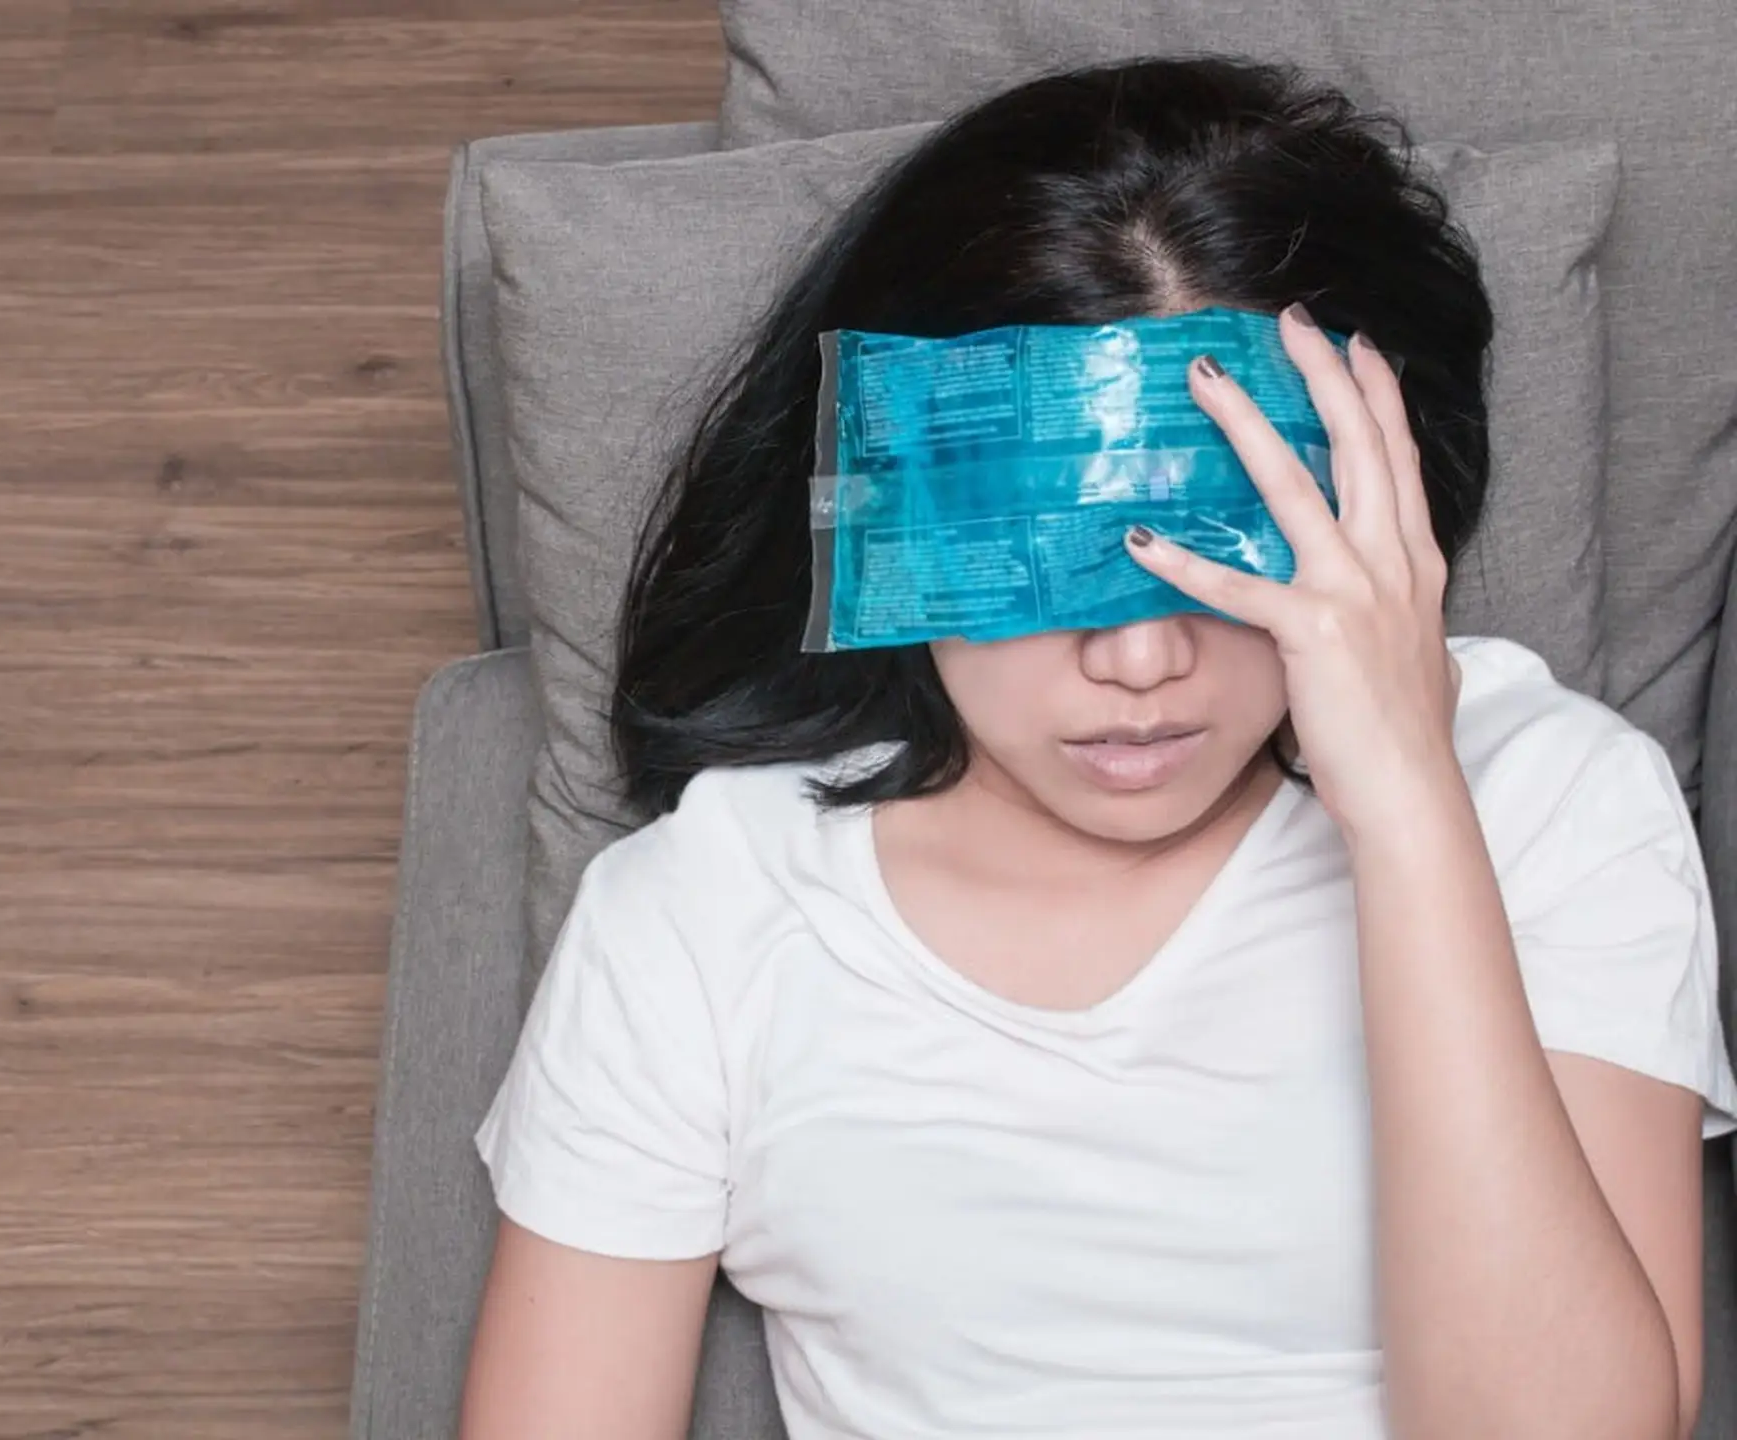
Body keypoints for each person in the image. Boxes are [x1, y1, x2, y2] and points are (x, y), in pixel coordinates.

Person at [459, 55, 1737, 1440]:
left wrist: (1411, 813)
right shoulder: (702, 911)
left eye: (1227, 550)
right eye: (1047, 560)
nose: (1139, 663)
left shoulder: (1549, 797)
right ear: (888, 514)